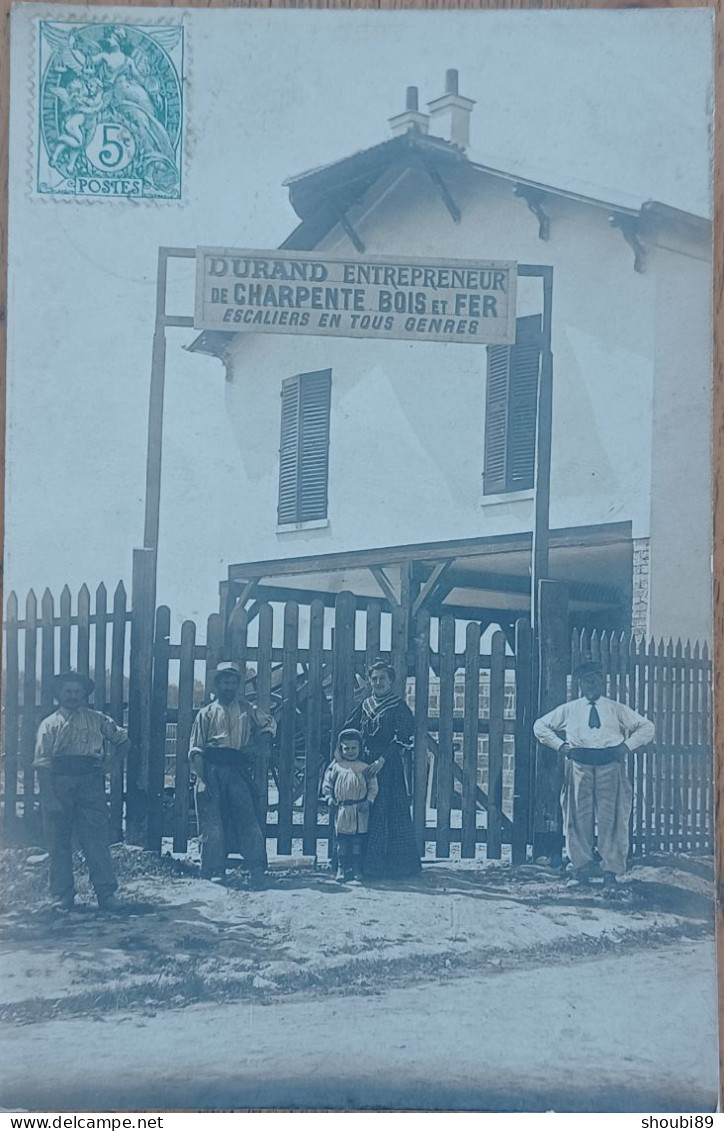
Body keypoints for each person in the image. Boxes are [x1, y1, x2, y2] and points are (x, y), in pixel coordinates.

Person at [533, 660, 655, 888]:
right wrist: (561, 746)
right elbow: (540, 726)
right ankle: (580, 869)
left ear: (603, 682)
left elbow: (647, 727)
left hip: (610, 765)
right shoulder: (570, 709)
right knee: (577, 818)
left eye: (596, 678)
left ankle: (611, 871)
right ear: (579, 683)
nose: (592, 683)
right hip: (579, 766)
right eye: (587, 679)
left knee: (612, 818)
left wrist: (626, 746)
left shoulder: (614, 708)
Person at [34, 671, 130, 912]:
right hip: (60, 784)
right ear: (59, 694)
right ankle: (62, 896)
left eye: (78, 692)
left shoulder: (98, 720)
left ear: (84, 695)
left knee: (96, 840)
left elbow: (123, 740)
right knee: (59, 842)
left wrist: (111, 764)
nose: (73, 696)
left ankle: (106, 894)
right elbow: (43, 763)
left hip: (90, 785)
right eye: (68, 691)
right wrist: (49, 798)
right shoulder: (49, 725)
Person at [188, 662, 276, 885]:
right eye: (225, 682)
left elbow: (269, 725)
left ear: (238, 685)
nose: (229, 686)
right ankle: (214, 869)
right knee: (212, 821)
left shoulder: (247, 709)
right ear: (217, 684)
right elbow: (196, 750)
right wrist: (202, 779)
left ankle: (256, 867)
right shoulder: (206, 713)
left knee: (248, 817)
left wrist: (258, 746)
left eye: (233, 682)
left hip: (238, 770)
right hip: (212, 769)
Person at [343, 660, 421, 879]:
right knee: (361, 812)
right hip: (364, 768)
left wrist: (381, 761)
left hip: (388, 767)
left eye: (382, 679)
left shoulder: (398, 707)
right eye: (374, 678)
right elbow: (349, 732)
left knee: (387, 813)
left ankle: (388, 868)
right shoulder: (364, 705)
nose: (378, 683)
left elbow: (402, 740)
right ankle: (358, 866)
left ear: (391, 681)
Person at [322, 729, 382, 883]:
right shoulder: (336, 767)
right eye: (346, 748)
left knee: (357, 841)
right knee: (342, 840)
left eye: (353, 748)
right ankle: (341, 868)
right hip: (343, 809)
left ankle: (356, 868)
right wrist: (329, 797)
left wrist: (369, 801)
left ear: (360, 748)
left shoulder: (364, 767)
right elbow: (327, 784)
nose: (350, 751)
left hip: (360, 809)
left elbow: (373, 786)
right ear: (340, 749)